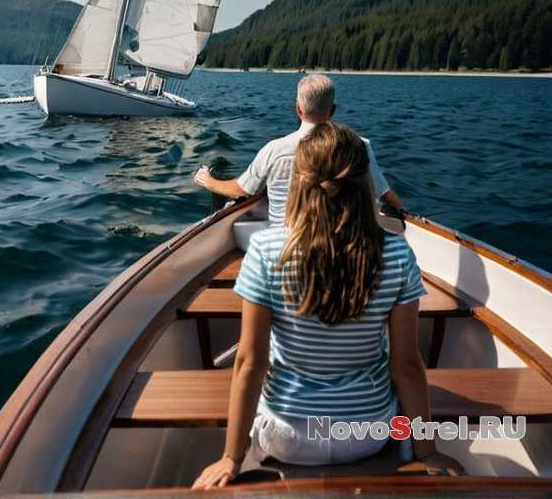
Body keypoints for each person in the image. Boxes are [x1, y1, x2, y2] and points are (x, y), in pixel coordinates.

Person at [193, 123, 463, 489]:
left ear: (298, 182)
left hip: (289, 438)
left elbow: (250, 363)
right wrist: (428, 451)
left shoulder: (266, 251)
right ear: (366, 182)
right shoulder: (397, 252)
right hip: (369, 433)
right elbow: (409, 367)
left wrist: (231, 456)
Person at [194, 74, 403, 224]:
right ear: (332, 110)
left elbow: (242, 190)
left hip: (284, 243)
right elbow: (384, 195)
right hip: (339, 243)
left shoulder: (274, 149)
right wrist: (404, 215)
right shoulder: (360, 146)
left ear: (298, 109)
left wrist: (207, 180)